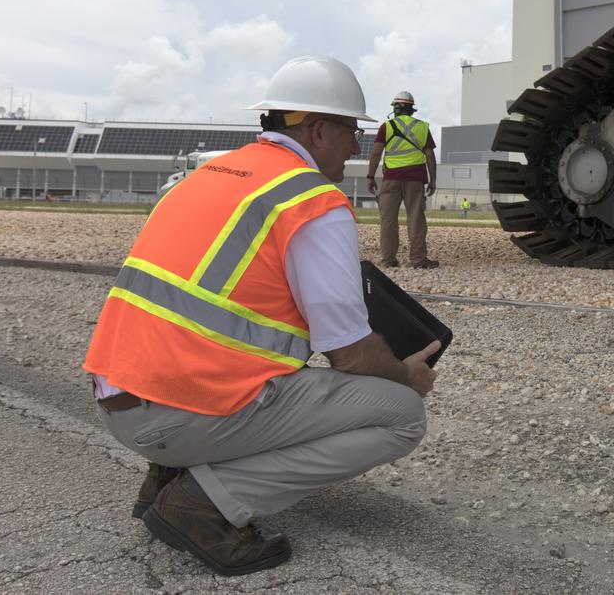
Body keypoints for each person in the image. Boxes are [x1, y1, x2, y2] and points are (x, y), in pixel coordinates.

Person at [83, 55, 440, 576]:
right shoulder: (312, 200)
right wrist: (408, 375)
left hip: (118, 400)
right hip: (177, 414)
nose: (357, 145)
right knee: (402, 414)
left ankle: (170, 475)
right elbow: (350, 354)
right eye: (350, 130)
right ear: (317, 130)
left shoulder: (210, 174)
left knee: (263, 364)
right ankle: (204, 502)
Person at [365, 91, 439, 269]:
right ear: (412, 109)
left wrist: (370, 176)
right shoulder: (422, 127)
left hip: (391, 179)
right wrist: (433, 180)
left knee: (388, 220)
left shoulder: (386, 127)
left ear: (395, 108)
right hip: (415, 180)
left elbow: (376, 153)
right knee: (416, 219)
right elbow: (430, 156)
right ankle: (418, 260)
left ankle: (389, 260)